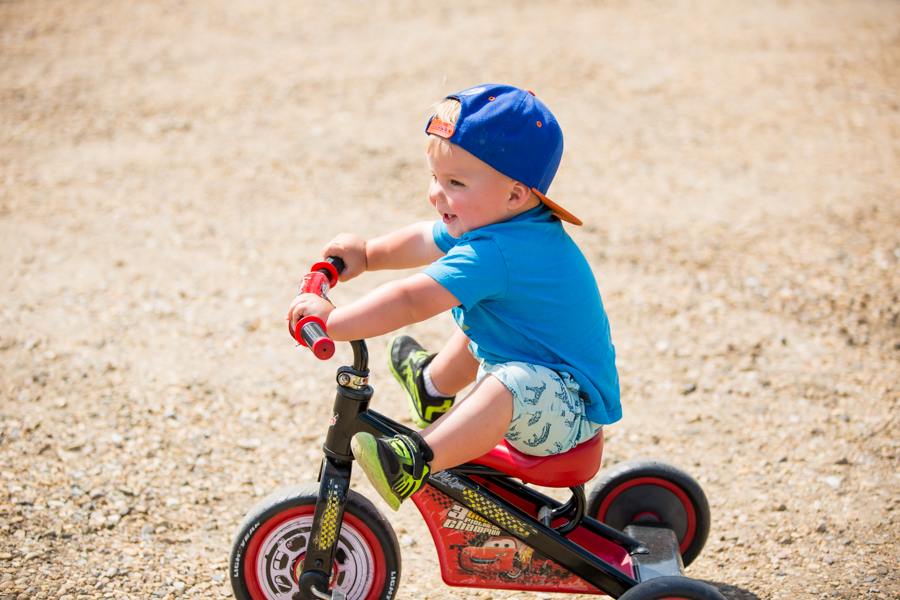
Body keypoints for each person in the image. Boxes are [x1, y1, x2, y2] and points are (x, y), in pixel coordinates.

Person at [287, 84, 620, 511]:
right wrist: (367, 255)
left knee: (509, 380)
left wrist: (333, 322)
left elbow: (412, 300)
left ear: (515, 193)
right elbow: (425, 238)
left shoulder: (499, 251)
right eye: (434, 177)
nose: (436, 194)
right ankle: (431, 385)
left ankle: (415, 458)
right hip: (548, 387)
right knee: (493, 319)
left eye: (455, 182)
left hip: (567, 417)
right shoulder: (499, 219)